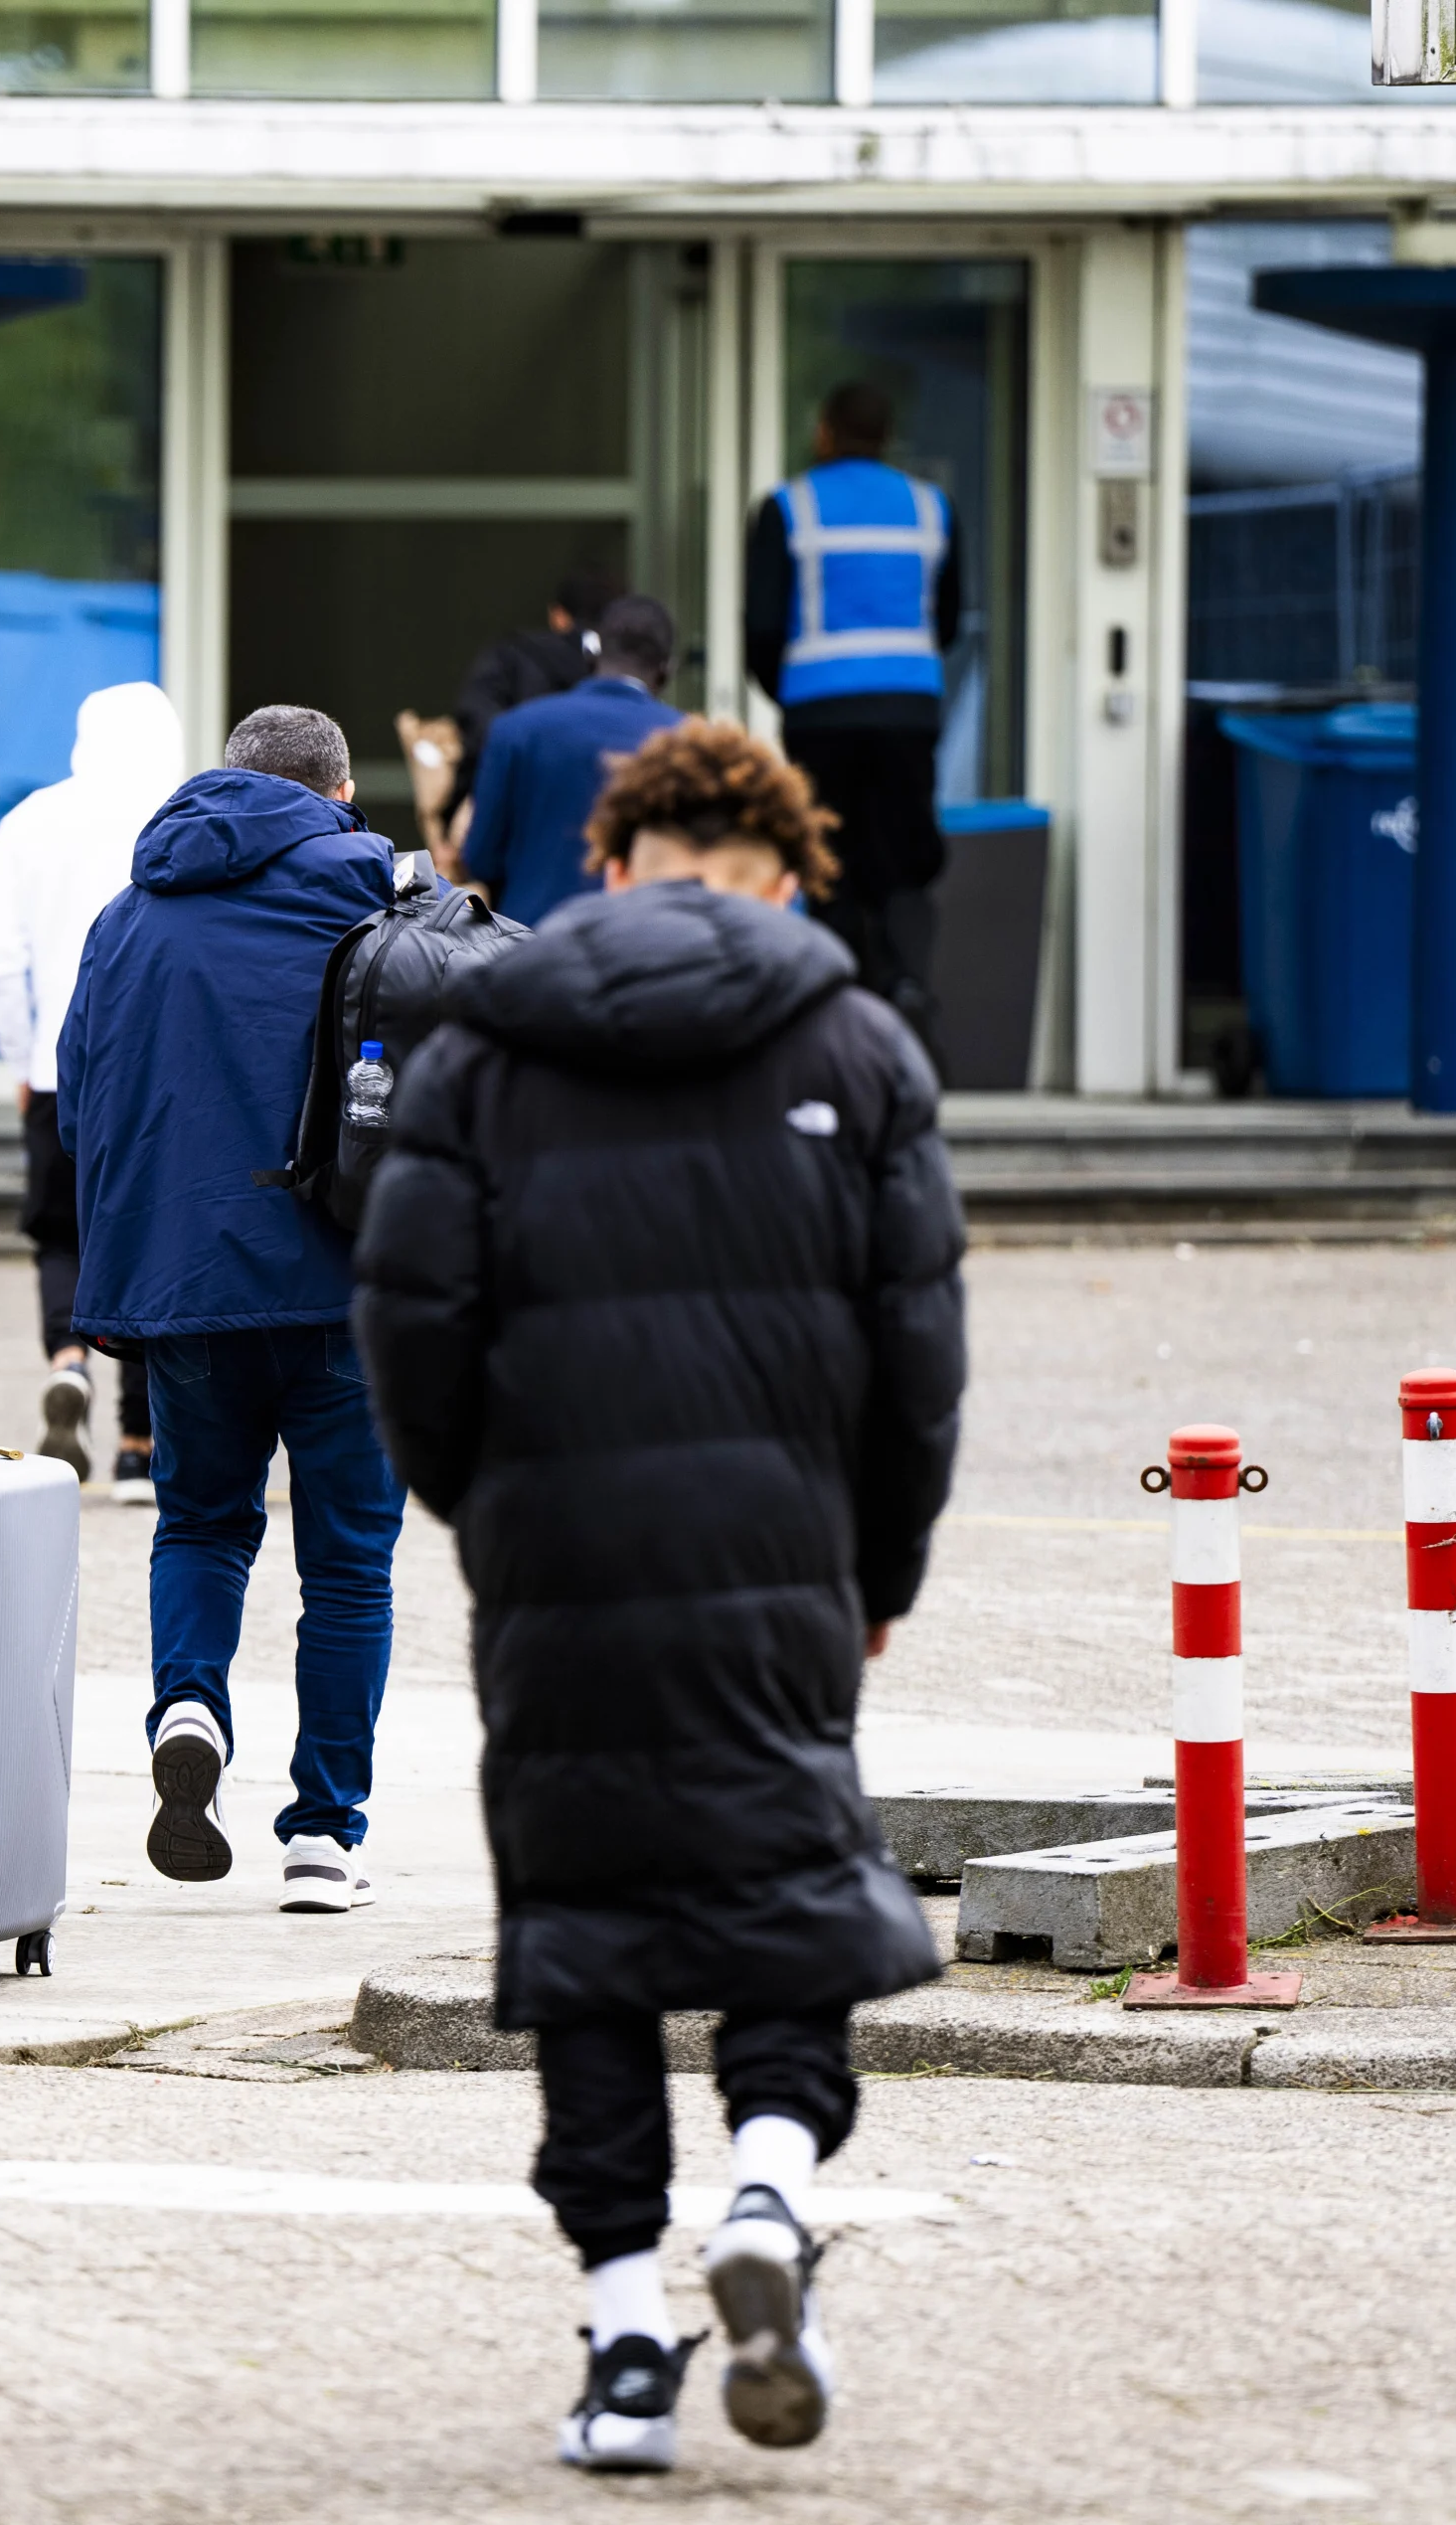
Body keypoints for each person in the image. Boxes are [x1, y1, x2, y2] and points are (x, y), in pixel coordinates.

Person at [352, 721, 966, 2473]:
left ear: (612, 863)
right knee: (785, 1873)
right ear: (790, 870)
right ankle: (769, 2188)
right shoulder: (859, 1044)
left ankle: (627, 2341)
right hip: (784, 1551)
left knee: (587, 1933)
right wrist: (882, 1563)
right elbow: (920, 1352)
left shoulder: (486, 1051)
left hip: (560, 1556)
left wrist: (487, 1502)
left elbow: (407, 1313)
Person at [54, 704, 406, 1916]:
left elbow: (78, 1104)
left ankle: (189, 1702)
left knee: (201, 1523)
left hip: (191, 1285)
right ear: (338, 793)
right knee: (349, 1564)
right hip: (352, 1281)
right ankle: (323, 1832)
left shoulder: (129, 916)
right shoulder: (383, 905)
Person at [0, 679, 185, 1500]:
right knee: (158, 1236)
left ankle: (69, 1362)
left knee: (62, 1232)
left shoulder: (31, 821)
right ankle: (140, 1441)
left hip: (64, 1068)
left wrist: (24, 1057)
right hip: (164, 1069)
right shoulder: (187, 816)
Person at [744, 380, 963, 1063]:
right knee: (904, 857)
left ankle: (836, 1003)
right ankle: (905, 988)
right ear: (887, 435)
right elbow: (950, 621)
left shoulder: (788, 507)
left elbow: (763, 626)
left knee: (826, 860)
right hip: (908, 710)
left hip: (820, 712)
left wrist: (792, 695)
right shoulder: (932, 508)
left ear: (824, 433)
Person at [454, 593, 684, 930]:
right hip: (648, 947)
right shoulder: (688, 741)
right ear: (666, 671)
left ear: (591, 655)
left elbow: (480, 859)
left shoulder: (514, 730)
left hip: (530, 947)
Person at [439, 571, 620, 841]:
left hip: (519, 825)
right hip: (599, 828)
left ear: (558, 615)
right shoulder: (622, 673)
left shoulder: (511, 657)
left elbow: (479, 729)